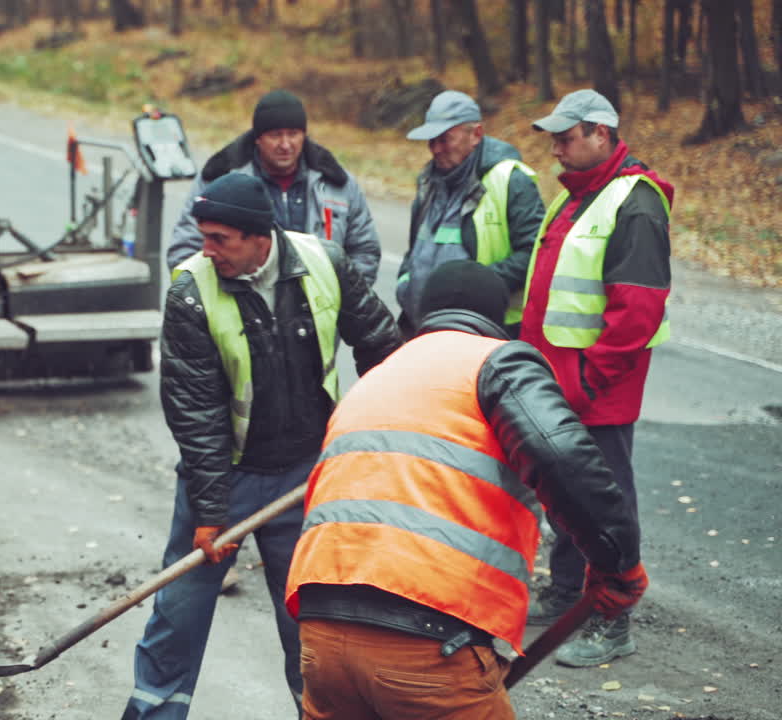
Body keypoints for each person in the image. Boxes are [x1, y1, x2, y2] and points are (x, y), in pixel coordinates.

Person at [285, 259, 649, 719]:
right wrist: (617, 562)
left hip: (321, 635)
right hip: (424, 638)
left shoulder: (377, 377)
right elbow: (563, 456)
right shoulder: (497, 361)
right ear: (496, 321)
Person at [122, 172, 402, 720]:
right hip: (225, 477)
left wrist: (375, 436)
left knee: (310, 624)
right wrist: (210, 512)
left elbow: (383, 348)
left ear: (258, 237)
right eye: (203, 236)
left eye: (219, 239)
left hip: (305, 477)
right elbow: (195, 411)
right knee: (179, 616)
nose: (207, 250)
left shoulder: (325, 263)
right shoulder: (191, 291)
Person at [521, 89, 673, 668]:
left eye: (566, 138)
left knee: (605, 504)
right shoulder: (578, 195)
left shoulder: (635, 203)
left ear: (601, 134)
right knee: (563, 493)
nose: (556, 149)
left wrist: (585, 380)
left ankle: (612, 622)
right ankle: (566, 593)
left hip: (597, 391)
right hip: (560, 385)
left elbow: (637, 312)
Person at [167, 89, 382, 287]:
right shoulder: (218, 181)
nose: (285, 145)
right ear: (258, 138)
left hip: (321, 308)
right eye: (276, 135)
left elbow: (365, 250)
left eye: (293, 134)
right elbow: (185, 250)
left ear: (304, 135)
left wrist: (344, 298)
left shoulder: (338, 184)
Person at [397, 90, 545, 337]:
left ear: (476, 134)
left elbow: (535, 252)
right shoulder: (428, 182)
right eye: (431, 141)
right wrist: (405, 283)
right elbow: (415, 249)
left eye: (444, 139)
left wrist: (476, 289)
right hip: (423, 328)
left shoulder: (510, 180)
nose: (435, 149)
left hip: (484, 330)